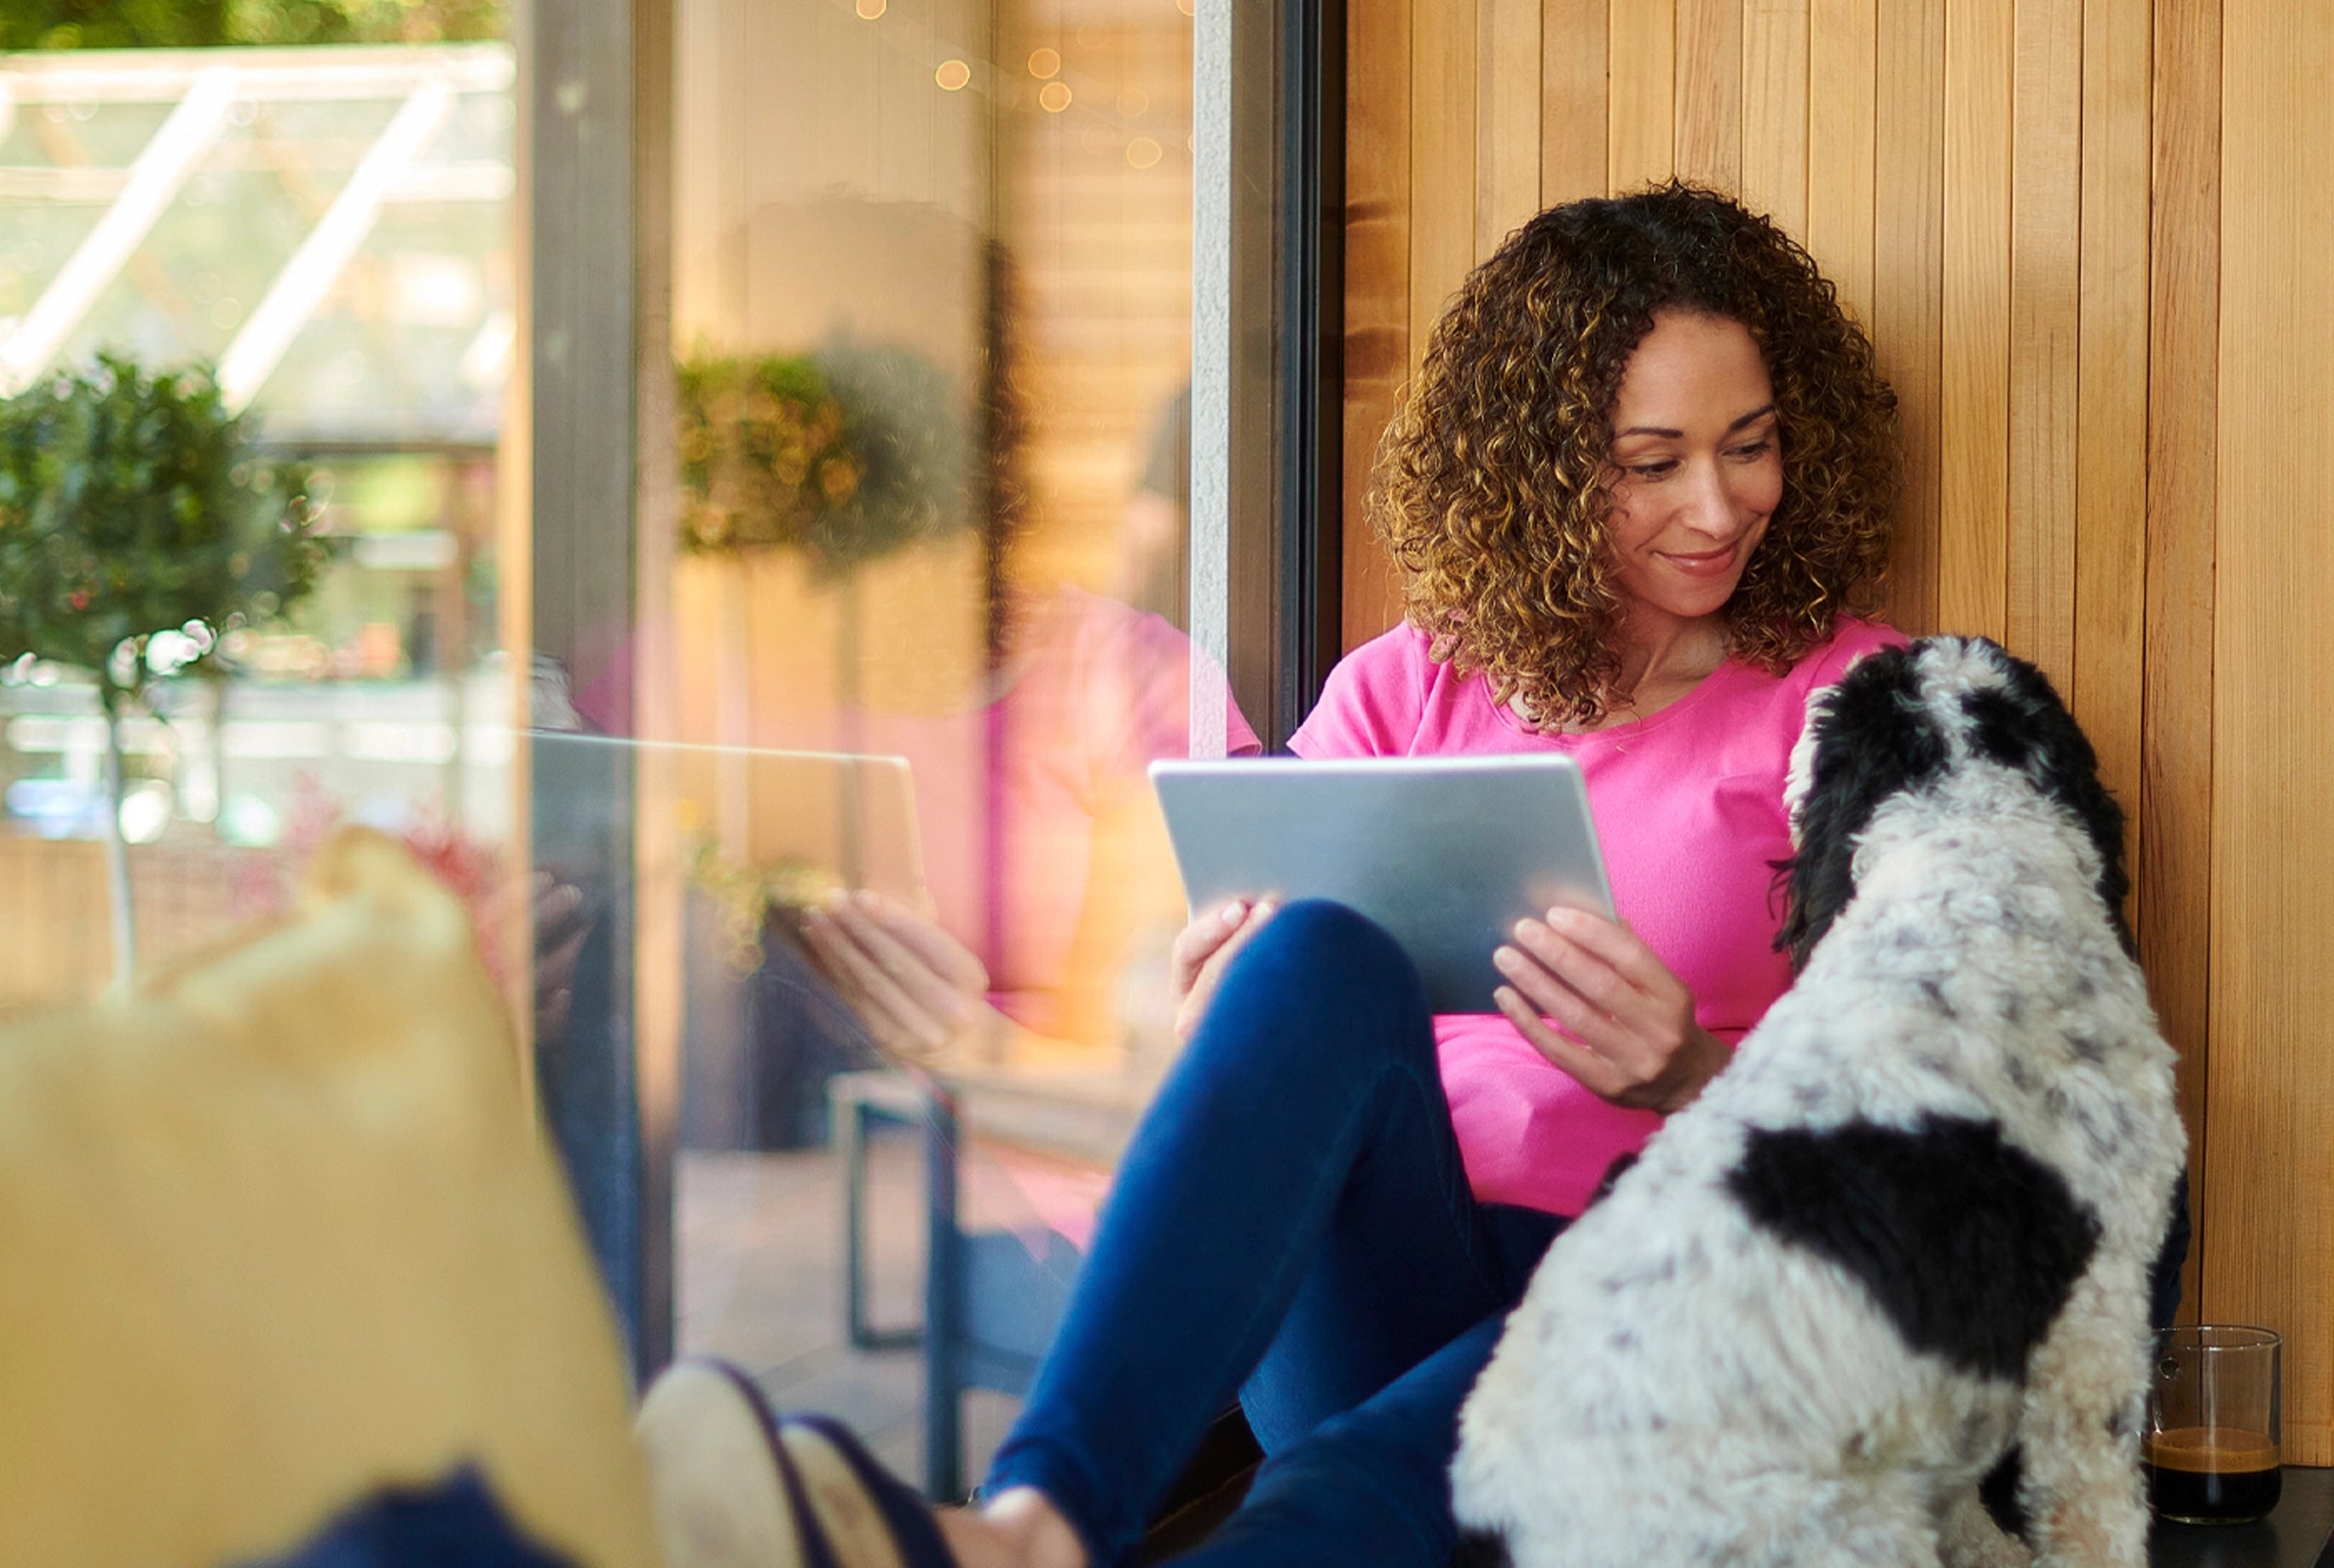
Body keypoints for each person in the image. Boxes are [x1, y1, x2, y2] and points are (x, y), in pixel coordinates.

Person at [637, 181, 1909, 1568]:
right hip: (1377, 1275)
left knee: (1377, 1477)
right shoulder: (1406, 689)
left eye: (1752, 446)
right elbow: (1228, 1013)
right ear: (1541, 467)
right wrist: (1206, 999)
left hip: (1675, 1272)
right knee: (1311, 955)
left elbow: (1946, 1154)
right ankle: (1040, 1514)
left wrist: (1692, 1082)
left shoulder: (1864, 710)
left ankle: (1008, 1548)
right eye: (1651, 461)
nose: (1720, 505)